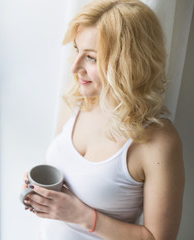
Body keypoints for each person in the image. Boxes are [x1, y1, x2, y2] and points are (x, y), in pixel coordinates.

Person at [22, 0, 185, 239]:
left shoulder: (158, 141)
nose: (75, 67)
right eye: (77, 50)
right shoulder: (77, 100)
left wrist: (81, 215)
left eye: (91, 58)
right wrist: (40, 192)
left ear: (128, 64)